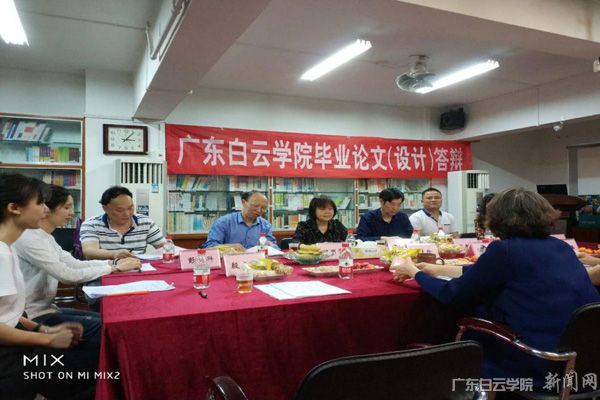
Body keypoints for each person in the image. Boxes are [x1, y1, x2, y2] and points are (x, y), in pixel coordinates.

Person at [392, 188, 600, 387]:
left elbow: (452, 294)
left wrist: (414, 272)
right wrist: (437, 270)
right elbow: (487, 272)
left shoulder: (504, 250)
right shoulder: (561, 247)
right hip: (581, 363)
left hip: (532, 361)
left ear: (498, 218)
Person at [0, 174, 97, 400]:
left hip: (21, 337)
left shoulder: (8, 248)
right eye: (40, 203)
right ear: (14, 208)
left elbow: (9, 314)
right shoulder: (2, 253)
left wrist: (42, 330)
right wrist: (47, 338)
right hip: (8, 358)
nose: (46, 210)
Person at [13, 185, 140, 351]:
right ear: (46, 209)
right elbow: (67, 275)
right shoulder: (30, 239)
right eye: (66, 208)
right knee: (109, 327)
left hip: (46, 309)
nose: (72, 213)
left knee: (109, 319)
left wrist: (112, 264)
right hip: (32, 316)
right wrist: (114, 268)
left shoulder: (45, 238)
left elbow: (74, 263)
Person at [80, 185, 165, 260]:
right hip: (106, 269)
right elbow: (89, 252)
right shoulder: (91, 225)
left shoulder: (146, 223)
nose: (127, 214)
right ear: (105, 209)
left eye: (130, 208)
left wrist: (169, 249)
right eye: (120, 210)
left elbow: (165, 247)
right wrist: (114, 254)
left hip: (138, 267)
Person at [204, 191, 277, 249]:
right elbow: (210, 246)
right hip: (231, 261)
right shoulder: (224, 222)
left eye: (263, 208)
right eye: (255, 206)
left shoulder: (266, 225)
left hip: (258, 262)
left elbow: (275, 248)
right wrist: (231, 247)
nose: (259, 210)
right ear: (243, 202)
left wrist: (271, 245)